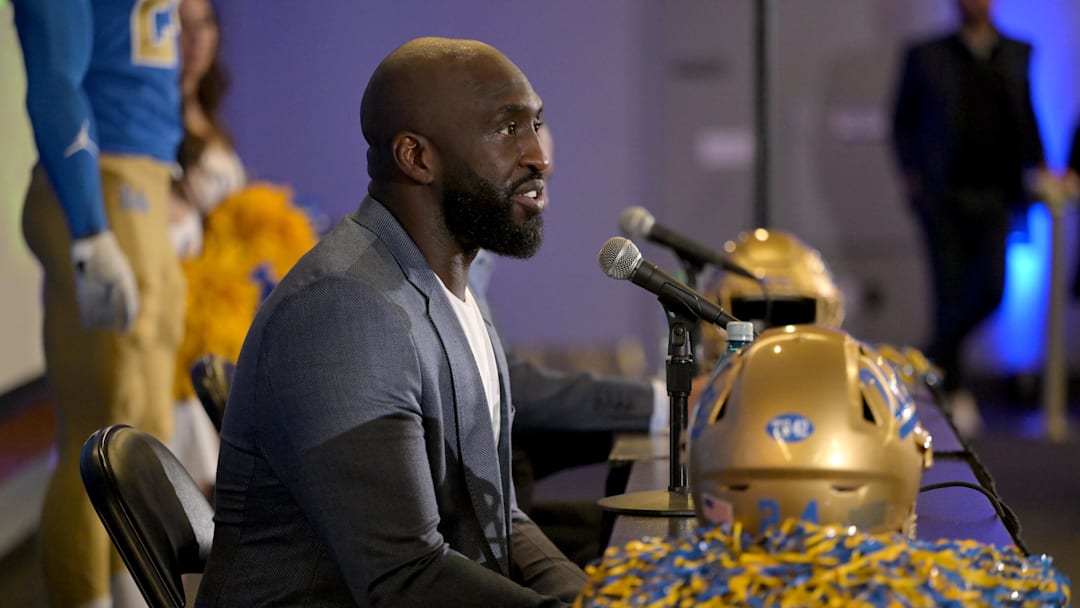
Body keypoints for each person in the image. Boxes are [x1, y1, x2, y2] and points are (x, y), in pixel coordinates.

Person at [196, 37, 588, 606]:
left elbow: (499, 516)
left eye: (536, 124)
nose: (538, 157)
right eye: (508, 129)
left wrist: (597, 597)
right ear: (416, 158)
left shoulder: (444, 286)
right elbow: (403, 576)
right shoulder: (342, 309)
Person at [12, 0, 185, 606]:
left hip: (142, 180)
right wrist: (89, 224)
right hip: (102, 181)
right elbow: (56, 74)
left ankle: (136, 591)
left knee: (147, 428)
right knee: (100, 423)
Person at [889, 0, 1050, 433]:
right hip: (943, 198)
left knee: (992, 288)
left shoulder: (1016, 52)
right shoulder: (927, 55)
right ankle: (954, 391)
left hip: (996, 195)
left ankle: (925, 359)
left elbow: (1025, 114)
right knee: (948, 291)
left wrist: (1041, 167)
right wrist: (913, 178)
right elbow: (901, 121)